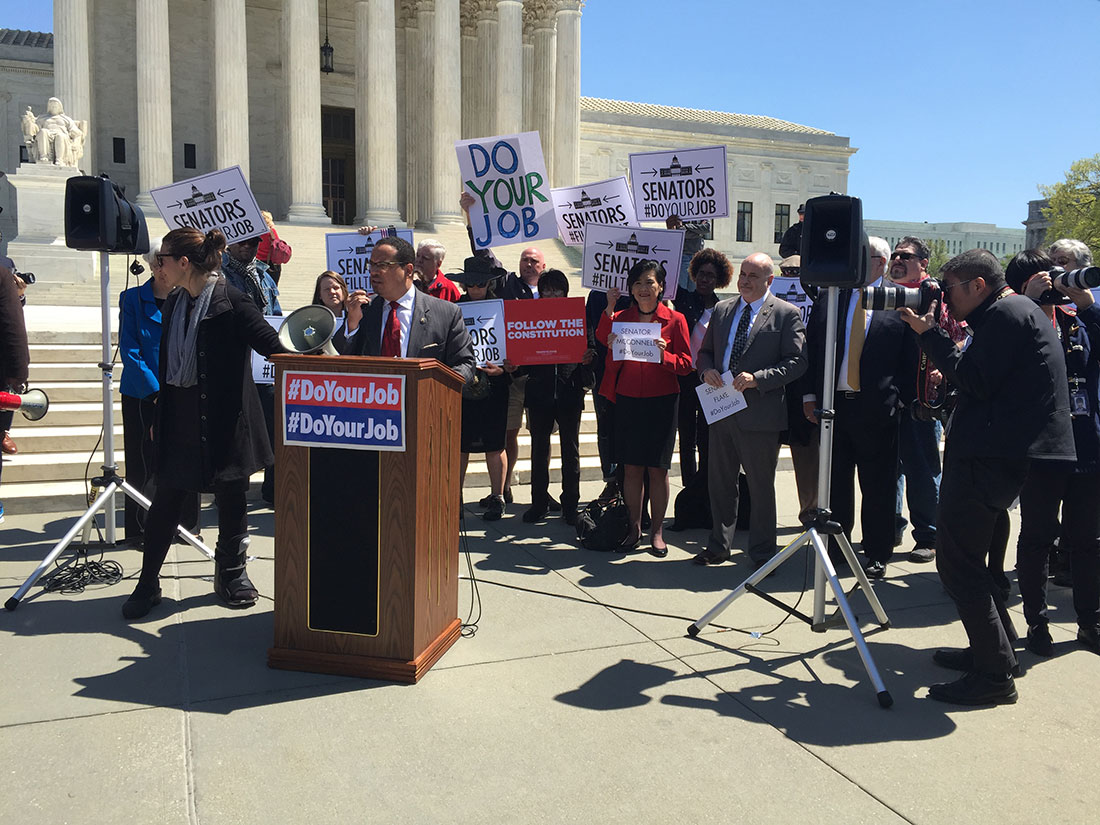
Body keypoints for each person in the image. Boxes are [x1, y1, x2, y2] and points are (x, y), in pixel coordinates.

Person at [898, 249, 1075, 705]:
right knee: (974, 561)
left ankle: (995, 676)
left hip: (989, 458)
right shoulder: (1010, 312)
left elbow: (974, 380)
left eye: (950, 288)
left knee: (957, 562)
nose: (944, 297)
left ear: (977, 285)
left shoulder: (1006, 315)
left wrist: (930, 336)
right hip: (995, 455)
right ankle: (993, 652)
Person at [122, 228, 288, 620]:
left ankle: (232, 575)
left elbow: (275, 347)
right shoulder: (177, 300)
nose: (157, 266)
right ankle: (148, 582)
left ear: (183, 263)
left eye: (162, 259)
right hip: (180, 417)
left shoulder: (232, 302)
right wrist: (160, 412)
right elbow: (168, 366)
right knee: (166, 501)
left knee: (231, 499)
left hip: (226, 421)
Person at [800, 236, 918, 578]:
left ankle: (878, 552)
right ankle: (837, 550)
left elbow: (909, 359)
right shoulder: (831, 297)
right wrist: (810, 396)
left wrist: (903, 402)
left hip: (878, 411)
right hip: (833, 409)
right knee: (836, 485)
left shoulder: (899, 301)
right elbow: (814, 347)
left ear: (879, 263)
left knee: (878, 486)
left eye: (861, 257)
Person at [1003, 250, 1100, 657]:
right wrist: (1030, 301)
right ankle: (1037, 622)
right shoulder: (1017, 319)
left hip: (1086, 443)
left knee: (1088, 539)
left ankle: (1089, 621)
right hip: (1043, 448)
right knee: (1038, 537)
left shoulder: (1078, 321)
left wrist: (1085, 303)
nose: (1056, 284)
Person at [693, 253, 807, 568]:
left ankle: (762, 554)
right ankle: (718, 546)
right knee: (720, 483)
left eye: (753, 276)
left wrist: (759, 379)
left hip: (761, 415)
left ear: (770, 280)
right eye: (743, 274)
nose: (744, 281)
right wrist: (706, 372)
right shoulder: (722, 310)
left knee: (759, 487)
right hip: (722, 411)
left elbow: (797, 362)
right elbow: (705, 353)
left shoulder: (787, 314)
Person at [597, 260, 692, 556]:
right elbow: (608, 352)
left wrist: (666, 356)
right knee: (632, 468)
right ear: (631, 288)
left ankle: (658, 531)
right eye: (638, 283)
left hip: (662, 401)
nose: (643, 289)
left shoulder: (675, 320)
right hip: (627, 399)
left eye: (649, 282)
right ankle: (634, 527)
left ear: (661, 286)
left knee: (658, 469)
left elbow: (687, 365)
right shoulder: (623, 317)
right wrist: (612, 342)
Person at [459, 192, 545, 504]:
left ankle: (539, 494)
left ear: (544, 265)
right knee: (506, 434)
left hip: (538, 376)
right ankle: (503, 490)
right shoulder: (507, 285)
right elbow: (484, 257)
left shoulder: (554, 290)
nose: (529, 263)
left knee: (537, 436)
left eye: (534, 260)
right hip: (504, 375)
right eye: (525, 259)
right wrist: (471, 218)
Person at [886, 236, 964, 563]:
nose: (898, 260)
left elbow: (960, 337)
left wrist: (943, 370)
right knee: (888, 469)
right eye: (895, 255)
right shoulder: (883, 296)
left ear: (923, 264)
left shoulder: (936, 299)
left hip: (922, 399)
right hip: (886, 397)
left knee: (921, 468)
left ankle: (929, 535)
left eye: (906, 256)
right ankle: (889, 528)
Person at [118, 237, 199, 545]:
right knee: (142, 464)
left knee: (185, 460)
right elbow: (131, 351)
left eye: (166, 263)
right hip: (143, 394)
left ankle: (187, 526)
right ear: (152, 267)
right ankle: (139, 528)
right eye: (159, 264)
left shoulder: (190, 299)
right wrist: (156, 392)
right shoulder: (132, 299)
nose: (163, 270)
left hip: (181, 393)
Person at [342, 236, 475, 385]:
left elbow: (466, 366)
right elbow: (336, 360)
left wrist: (433, 388)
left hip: (423, 403)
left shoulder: (447, 313)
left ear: (408, 270)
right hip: (373, 403)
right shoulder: (363, 310)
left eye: (383, 265)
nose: (374, 272)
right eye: (372, 265)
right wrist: (352, 325)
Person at [521, 269, 595, 526]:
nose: (552, 295)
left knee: (570, 450)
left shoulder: (579, 318)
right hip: (539, 392)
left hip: (569, 390)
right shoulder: (530, 318)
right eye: (547, 291)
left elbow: (592, 350)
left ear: (566, 292)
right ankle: (538, 502)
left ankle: (571, 505)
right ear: (540, 294)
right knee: (539, 450)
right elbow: (522, 360)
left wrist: (588, 358)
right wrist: (512, 364)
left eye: (557, 290)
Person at [222, 234, 281, 504]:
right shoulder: (218, 274)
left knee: (273, 430)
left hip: (264, 364)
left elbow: (275, 315)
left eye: (254, 242)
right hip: (237, 361)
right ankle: (232, 492)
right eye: (242, 242)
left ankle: (272, 489)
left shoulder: (264, 275)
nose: (248, 247)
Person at [453, 257, 514, 521]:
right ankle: (454, 497)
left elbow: (514, 347)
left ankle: (497, 496)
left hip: (496, 384)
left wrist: (507, 368)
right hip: (462, 385)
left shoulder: (504, 309)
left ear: (489, 283)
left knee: (495, 444)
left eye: (480, 284)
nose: (475, 289)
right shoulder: (453, 310)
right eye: (471, 284)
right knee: (460, 446)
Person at [673, 248, 732, 486]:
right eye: (701, 274)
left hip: (711, 380)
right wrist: (674, 238)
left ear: (719, 281)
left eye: (710, 275)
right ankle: (689, 492)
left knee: (707, 438)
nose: (704, 279)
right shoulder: (684, 300)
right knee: (686, 438)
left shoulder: (724, 309)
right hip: (685, 378)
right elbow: (668, 276)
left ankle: (706, 491)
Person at [0, 261, 30, 523]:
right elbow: (11, 325)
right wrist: (20, 373)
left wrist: (19, 295)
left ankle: (4, 431)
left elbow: (12, 310)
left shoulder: (5, 266)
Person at [311, 270, 363, 352]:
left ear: (343, 290)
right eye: (327, 289)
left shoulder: (357, 316)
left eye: (336, 288)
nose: (332, 292)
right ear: (319, 295)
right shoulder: (311, 323)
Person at [666, 214, 710, 295]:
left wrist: (686, 227)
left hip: (697, 258)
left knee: (694, 292)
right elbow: (680, 231)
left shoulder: (702, 213)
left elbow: (706, 229)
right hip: (683, 256)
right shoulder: (681, 213)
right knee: (681, 292)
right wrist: (698, 232)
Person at [255, 211, 292, 285]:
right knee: (272, 287)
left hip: (257, 262)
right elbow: (277, 245)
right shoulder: (271, 231)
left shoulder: (255, 231)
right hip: (271, 263)